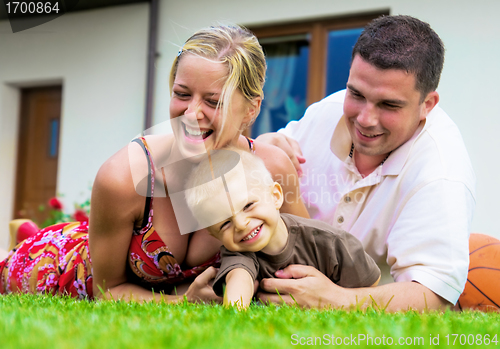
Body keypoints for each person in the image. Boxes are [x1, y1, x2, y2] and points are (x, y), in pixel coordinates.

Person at [0, 25, 309, 302]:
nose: (191, 114)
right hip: (62, 270)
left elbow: (310, 251)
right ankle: (25, 240)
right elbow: (108, 290)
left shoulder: (270, 169)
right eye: (182, 94)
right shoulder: (126, 177)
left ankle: (26, 230)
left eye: (214, 102)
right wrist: (185, 302)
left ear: (252, 109)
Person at [255, 15, 476, 312]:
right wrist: (262, 148)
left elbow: (432, 293)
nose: (365, 119)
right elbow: (264, 163)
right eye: (356, 94)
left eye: (389, 105)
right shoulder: (326, 113)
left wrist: (335, 299)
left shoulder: (441, 172)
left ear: (428, 104)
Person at [184, 147, 380, 309]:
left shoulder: (330, 241)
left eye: (248, 206)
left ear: (276, 196)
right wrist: (234, 315)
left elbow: (371, 287)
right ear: (214, 234)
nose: (241, 224)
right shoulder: (238, 252)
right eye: (225, 223)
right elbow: (239, 278)